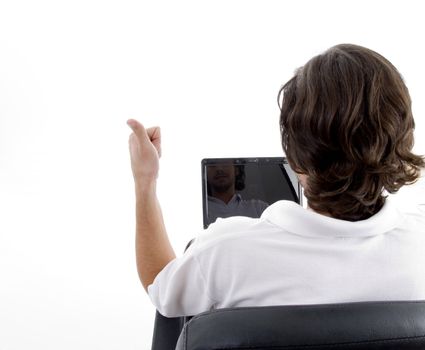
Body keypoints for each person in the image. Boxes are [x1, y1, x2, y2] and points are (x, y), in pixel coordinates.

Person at [127, 44, 425, 318]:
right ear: (403, 139)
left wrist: (145, 181)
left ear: (294, 158)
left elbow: (160, 284)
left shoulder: (224, 252)